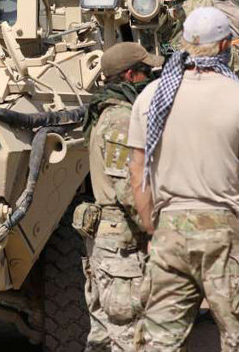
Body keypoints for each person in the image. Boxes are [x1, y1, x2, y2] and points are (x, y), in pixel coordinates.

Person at [127, 7, 239, 351]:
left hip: (169, 232)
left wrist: (153, 228)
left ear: (184, 43)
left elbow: (138, 172)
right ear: (225, 45)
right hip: (228, 235)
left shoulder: (151, 97)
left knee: (160, 343)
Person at [74, 42, 163, 351]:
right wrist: (157, 230)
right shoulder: (120, 119)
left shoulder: (106, 112)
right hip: (122, 247)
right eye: (146, 72)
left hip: (111, 244)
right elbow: (130, 189)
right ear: (130, 75)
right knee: (129, 336)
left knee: (103, 337)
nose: (150, 79)